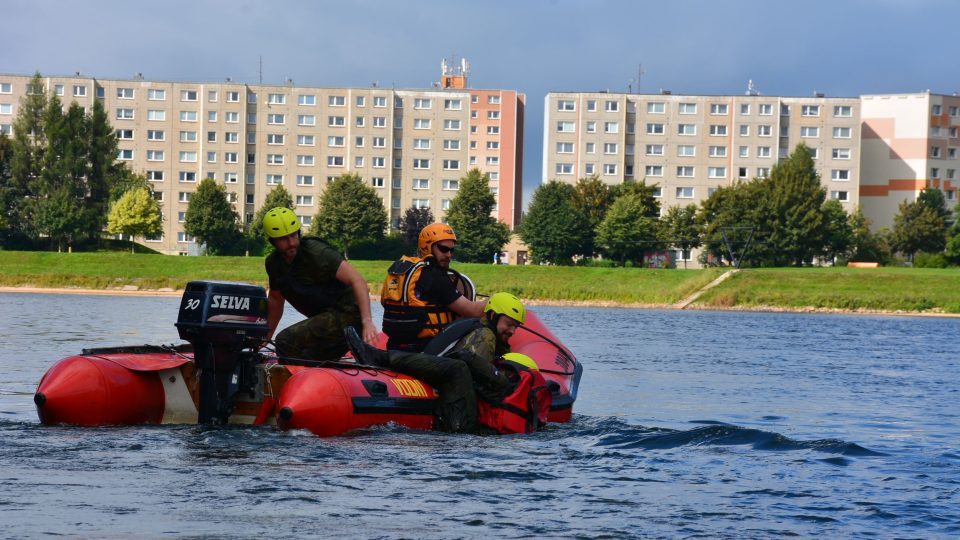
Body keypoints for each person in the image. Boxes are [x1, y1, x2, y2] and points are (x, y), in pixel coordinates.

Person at [346, 292, 536, 433]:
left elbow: (474, 379)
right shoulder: (485, 335)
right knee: (459, 366)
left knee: (459, 367)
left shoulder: (477, 330)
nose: (512, 331)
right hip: (457, 409)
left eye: (515, 327)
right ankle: (381, 357)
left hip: (461, 420)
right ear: (493, 316)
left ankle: (381, 357)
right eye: (509, 324)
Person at [261, 207, 377, 361]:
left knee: (285, 340)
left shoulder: (318, 253)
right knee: (287, 346)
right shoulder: (274, 264)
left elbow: (358, 281)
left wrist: (367, 322)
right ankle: (322, 369)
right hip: (325, 319)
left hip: (348, 315)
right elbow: (275, 301)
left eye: (293, 236)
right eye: (283, 239)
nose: (291, 243)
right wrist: (265, 339)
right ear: (273, 241)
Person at [380, 223, 487, 352]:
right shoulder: (434, 276)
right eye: (443, 249)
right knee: (478, 327)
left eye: (452, 250)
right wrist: (498, 301)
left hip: (394, 346)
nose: (449, 255)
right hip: (426, 349)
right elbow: (473, 311)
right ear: (427, 247)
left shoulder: (403, 270)